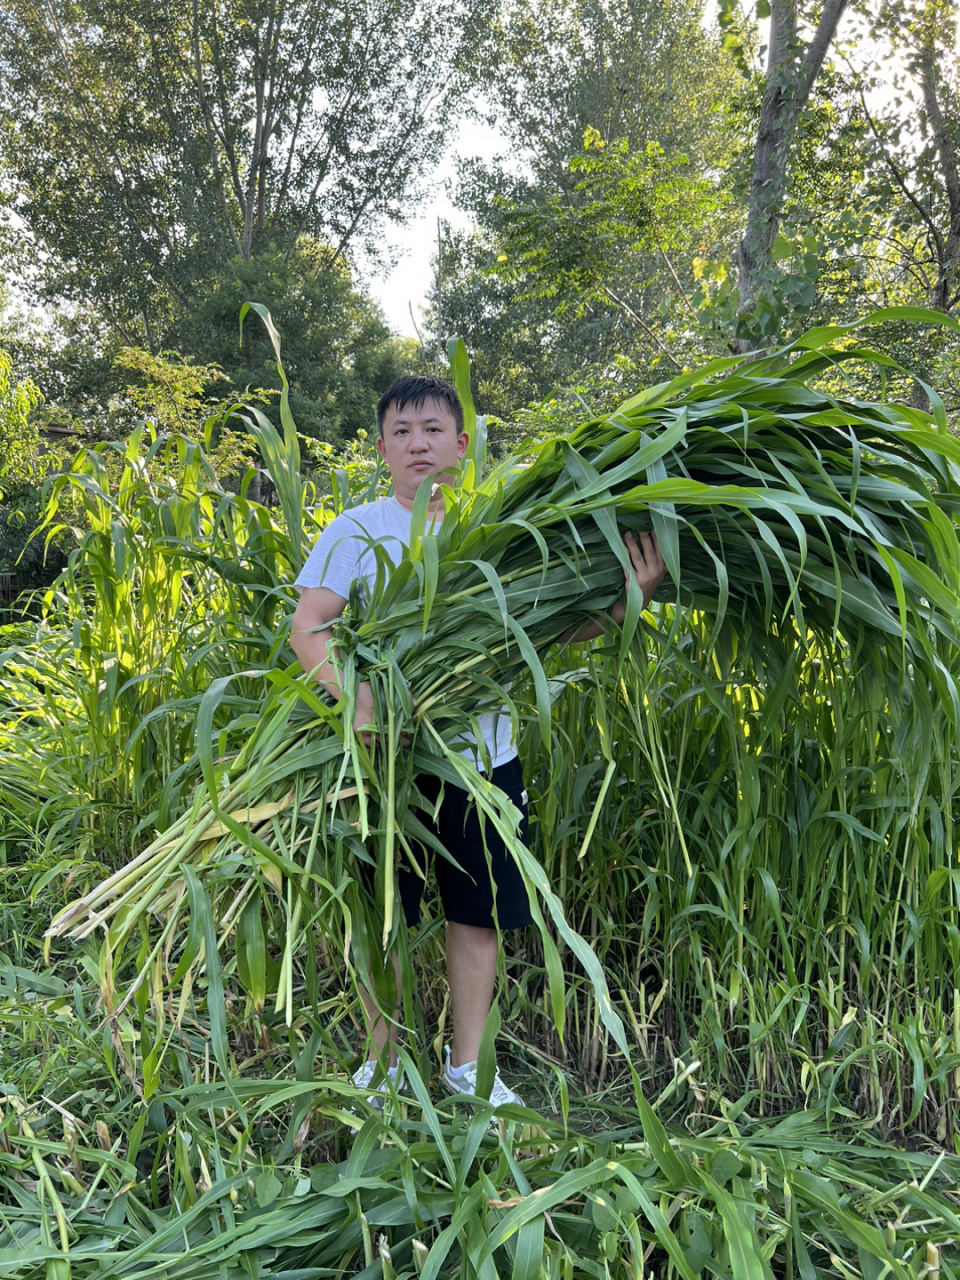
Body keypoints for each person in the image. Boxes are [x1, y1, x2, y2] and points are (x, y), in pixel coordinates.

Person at [289, 374, 665, 1110]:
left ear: (464, 443)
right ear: (381, 449)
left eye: (432, 430)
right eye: (401, 432)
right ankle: (386, 1062)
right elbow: (310, 627)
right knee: (384, 912)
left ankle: (469, 1069)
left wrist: (630, 601)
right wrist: (361, 706)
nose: (417, 444)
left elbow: (552, 625)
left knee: (478, 916)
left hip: (482, 764)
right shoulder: (355, 529)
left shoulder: (500, 530)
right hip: (383, 762)